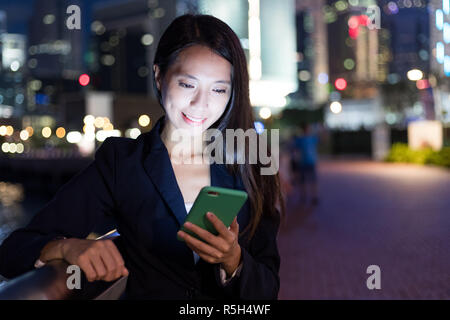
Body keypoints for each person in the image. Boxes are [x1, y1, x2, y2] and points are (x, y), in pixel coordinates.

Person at [0, 14, 284, 300]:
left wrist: (233, 259)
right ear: (159, 77)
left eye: (219, 89)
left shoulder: (252, 163)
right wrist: (65, 247)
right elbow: (13, 249)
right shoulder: (122, 162)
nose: (201, 103)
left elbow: (268, 288)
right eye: (188, 84)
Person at [293, 123, 319, 206]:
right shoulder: (301, 139)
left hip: (309, 162)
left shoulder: (311, 138)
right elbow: (295, 149)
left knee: (312, 180)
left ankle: (313, 196)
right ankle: (304, 196)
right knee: (304, 180)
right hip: (303, 162)